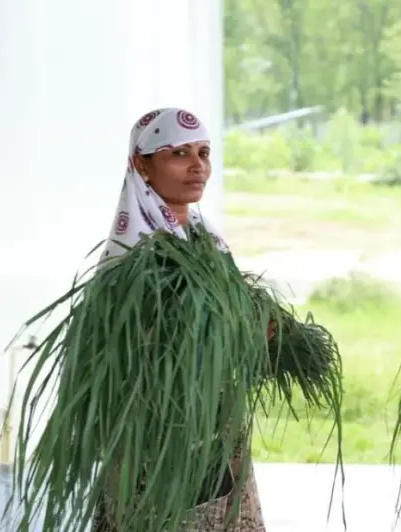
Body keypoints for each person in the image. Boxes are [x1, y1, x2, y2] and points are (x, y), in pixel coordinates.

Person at [92, 108, 266, 531]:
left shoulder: (204, 238)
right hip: (160, 430)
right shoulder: (136, 251)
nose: (198, 166)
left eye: (204, 153)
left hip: (216, 422)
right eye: (179, 153)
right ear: (142, 165)